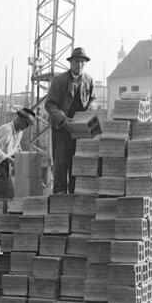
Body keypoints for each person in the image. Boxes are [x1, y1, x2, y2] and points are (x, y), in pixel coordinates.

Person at [45, 47, 97, 194]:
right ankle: (60, 200)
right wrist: (62, 118)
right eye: (76, 61)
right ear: (71, 63)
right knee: (61, 164)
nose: (79, 65)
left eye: (82, 62)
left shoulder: (88, 80)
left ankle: (74, 196)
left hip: (80, 132)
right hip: (62, 129)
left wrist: (91, 108)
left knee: (77, 164)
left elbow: (93, 99)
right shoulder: (59, 80)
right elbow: (49, 104)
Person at [0, 107, 36, 198]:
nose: (26, 127)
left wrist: (23, 160)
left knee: (9, 194)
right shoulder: (6, 130)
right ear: (20, 119)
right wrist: (13, 162)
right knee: (0, 194)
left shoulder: (19, 133)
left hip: (3, 165)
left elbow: (15, 150)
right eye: (26, 124)